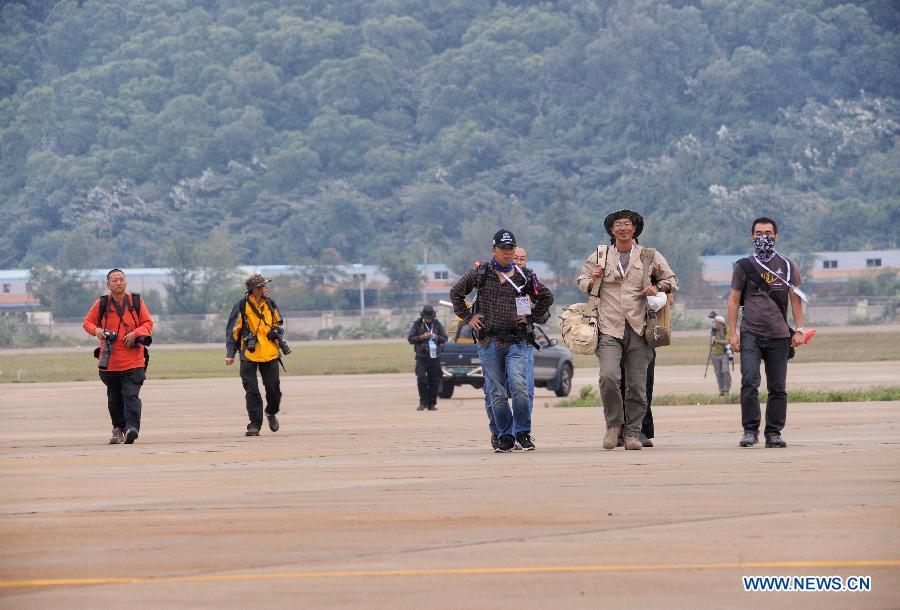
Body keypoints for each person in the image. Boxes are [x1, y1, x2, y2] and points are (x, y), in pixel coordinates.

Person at [576, 210, 677, 450]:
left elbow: (671, 280)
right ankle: (613, 427)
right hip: (608, 327)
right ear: (611, 230)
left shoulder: (648, 256)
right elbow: (581, 281)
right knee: (609, 377)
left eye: (627, 224)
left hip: (639, 327)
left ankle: (632, 433)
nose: (622, 228)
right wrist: (593, 279)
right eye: (617, 225)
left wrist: (657, 286)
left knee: (637, 385)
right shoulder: (601, 255)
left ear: (635, 229)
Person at [450, 230, 553, 452]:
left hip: (517, 341)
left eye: (511, 250)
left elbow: (546, 297)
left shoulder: (524, 276)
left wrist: (531, 317)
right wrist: (469, 317)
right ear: (493, 250)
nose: (508, 254)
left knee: (519, 386)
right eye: (503, 250)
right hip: (488, 342)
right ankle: (504, 435)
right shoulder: (480, 273)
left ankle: (523, 433)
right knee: (496, 391)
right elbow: (456, 293)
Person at [727, 217, 806, 448]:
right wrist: (733, 333)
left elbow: (796, 299)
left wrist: (799, 329)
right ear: (752, 236)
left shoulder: (788, 265)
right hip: (751, 331)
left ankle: (774, 432)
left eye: (768, 233)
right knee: (749, 381)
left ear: (776, 236)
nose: (764, 237)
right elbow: (733, 301)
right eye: (759, 233)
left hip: (780, 335)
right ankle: (750, 431)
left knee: (778, 386)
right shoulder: (743, 266)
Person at [83, 268, 154, 445]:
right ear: (108, 284)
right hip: (110, 363)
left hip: (134, 361)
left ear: (126, 282)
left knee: (131, 395)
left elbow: (148, 323)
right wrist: (97, 331)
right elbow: (87, 323)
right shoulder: (102, 304)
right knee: (114, 399)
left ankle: (132, 428)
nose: (118, 282)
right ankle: (118, 429)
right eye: (114, 280)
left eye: (121, 279)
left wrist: (134, 334)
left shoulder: (136, 301)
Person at [225, 274, 288, 437]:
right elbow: (232, 331)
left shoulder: (271, 303)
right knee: (252, 390)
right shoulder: (241, 306)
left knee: (273, 389)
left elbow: (279, 323)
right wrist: (230, 353)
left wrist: (277, 331)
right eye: (263, 286)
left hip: (270, 352)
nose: (266, 288)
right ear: (255, 290)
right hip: (249, 353)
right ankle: (254, 425)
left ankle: (271, 412)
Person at [407, 304, 448, 411]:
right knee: (421, 378)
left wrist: (435, 337)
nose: (428, 320)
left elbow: (444, 338)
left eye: (430, 318)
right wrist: (422, 337)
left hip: (435, 357)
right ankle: (422, 403)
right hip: (422, 357)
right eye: (426, 318)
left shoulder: (437, 324)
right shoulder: (417, 324)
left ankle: (431, 404)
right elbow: (411, 339)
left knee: (434, 380)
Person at [709, 314, 732, 396]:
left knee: (725, 371)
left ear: (721, 323)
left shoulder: (726, 331)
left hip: (724, 354)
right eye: (715, 322)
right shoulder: (714, 331)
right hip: (715, 354)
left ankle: (727, 389)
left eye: (717, 322)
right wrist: (712, 340)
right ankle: (721, 390)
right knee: (718, 373)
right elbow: (711, 341)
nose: (715, 324)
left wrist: (717, 341)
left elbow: (727, 341)